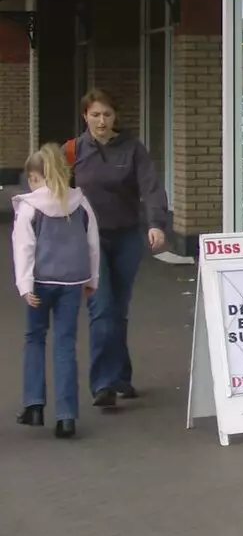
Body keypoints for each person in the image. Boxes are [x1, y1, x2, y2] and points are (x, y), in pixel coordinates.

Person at [70, 88, 169, 410]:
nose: (101, 121)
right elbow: (50, 188)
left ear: (116, 117)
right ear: (85, 116)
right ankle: (104, 384)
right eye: (95, 115)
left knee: (118, 309)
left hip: (125, 236)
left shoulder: (132, 149)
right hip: (89, 240)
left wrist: (155, 223)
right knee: (101, 309)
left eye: (107, 115)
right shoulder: (72, 152)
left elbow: (151, 188)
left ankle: (121, 375)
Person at [13, 144, 100, 439]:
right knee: (65, 345)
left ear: (36, 177)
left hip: (40, 282)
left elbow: (23, 248)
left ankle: (34, 404)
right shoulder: (79, 202)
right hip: (73, 283)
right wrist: (93, 279)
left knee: (35, 338)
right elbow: (92, 244)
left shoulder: (29, 207)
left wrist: (24, 285)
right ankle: (66, 417)